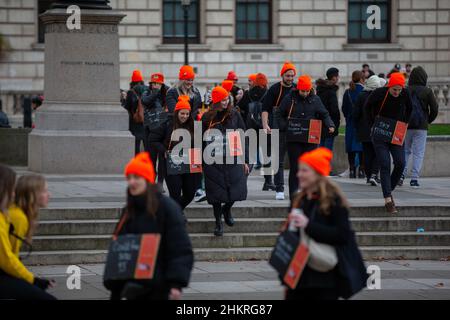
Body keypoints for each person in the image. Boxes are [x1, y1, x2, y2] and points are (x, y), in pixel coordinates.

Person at [106, 152, 194, 300]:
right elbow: (120, 247)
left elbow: (180, 248)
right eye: (129, 178)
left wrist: (175, 284)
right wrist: (114, 286)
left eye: (137, 177)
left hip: (157, 287)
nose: (132, 182)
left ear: (147, 180)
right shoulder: (129, 210)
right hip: (130, 287)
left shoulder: (168, 208)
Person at [285, 148, 366, 300]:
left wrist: (308, 225)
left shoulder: (334, 201)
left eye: (304, 170)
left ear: (316, 174)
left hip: (325, 275)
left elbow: (342, 235)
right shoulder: (298, 199)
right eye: (299, 170)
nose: (298, 174)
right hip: (299, 273)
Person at [0, 165, 56, 300]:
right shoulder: (18, 217)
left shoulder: (17, 215)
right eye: (45, 191)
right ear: (32, 194)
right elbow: (8, 257)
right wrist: (31, 279)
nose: (50, 194)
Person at [202, 86, 249, 236]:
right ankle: (218, 222)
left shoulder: (235, 114)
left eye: (226, 99)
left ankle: (227, 209)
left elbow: (243, 135)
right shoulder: (207, 117)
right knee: (216, 192)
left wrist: (245, 159)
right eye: (222, 99)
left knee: (237, 188)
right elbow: (199, 140)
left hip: (232, 157)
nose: (225, 101)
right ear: (215, 101)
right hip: (213, 158)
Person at [279, 75, 335, 199]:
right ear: (298, 89)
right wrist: (285, 126)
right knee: (295, 166)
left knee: (310, 165)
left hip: (310, 137)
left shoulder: (315, 99)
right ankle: (294, 193)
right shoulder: (289, 98)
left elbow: (324, 114)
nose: (305, 93)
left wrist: (330, 124)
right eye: (302, 91)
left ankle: (309, 192)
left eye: (307, 91)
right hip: (294, 137)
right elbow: (280, 114)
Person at [366, 73, 412, 214]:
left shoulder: (405, 93)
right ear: (389, 86)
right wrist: (372, 123)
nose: (397, 92)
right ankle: (388, 199)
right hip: (380, 131)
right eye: (394, 90)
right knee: (385, 163)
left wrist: (405, 122)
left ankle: (388, 189)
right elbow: (367, 106)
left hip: (396, 132)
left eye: (399, 89)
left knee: (400, 163)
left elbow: (410, 108)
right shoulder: (380, 93)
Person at [148, 96, 201, 213]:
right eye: (182, 113)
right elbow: (153, 140)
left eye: (187, 114)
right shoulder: (166, 123)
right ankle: (176, 216)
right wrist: (164, 151)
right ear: (177, 112)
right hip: (171, 164)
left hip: (188, 163)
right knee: (175, 193)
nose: (185, 116)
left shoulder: (193, 125)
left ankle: (175, 212)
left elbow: (199, 143)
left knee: (190, 193)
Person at [261, 61, 297, 199]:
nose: (290, 78)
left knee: (296, 161)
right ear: (282, 75)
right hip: (277, 127)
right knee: (278, 160)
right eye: (287, 75)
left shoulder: (296, 88)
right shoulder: (274, 89)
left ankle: (295, 189)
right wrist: (265, 125)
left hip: (294, 128)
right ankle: (279, 188)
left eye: (292, 76)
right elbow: (265, 109)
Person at [400, 66, 439, 188]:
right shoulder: (427, 91)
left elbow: (401, 107)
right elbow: (434, 108)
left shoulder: (406, 90)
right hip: (421, 126)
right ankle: (414, 178)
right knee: (418, 152)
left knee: (405, 151)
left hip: (407, 125)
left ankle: (401, 175)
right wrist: (428, 120)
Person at [353, 75, 383, 186]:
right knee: (378, 152)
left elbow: (356, 114)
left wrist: (357, 126)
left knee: (367, 153)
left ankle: (369, 176)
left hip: (363, 128)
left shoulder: (361, 95)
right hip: (376, 127)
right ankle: (374, 174)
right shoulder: (379, 96)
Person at [142, 72, 170, 190]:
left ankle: (160, 183)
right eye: (153, 83)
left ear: (162, 84)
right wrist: (155, 93)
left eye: (158, 84)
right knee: (151, 158)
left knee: (163, 158)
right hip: (150, 130)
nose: (155, 85)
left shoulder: (168, 92)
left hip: (163, 129)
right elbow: (145, 101)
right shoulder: (147, 92)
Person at [342, 71, 365, 179]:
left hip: (350, 122)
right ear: (361, 79)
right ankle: (361, 170)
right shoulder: (364, 91)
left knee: (351, 148)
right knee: (362, 148)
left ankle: (351, 170)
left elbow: (344, 108)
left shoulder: (347, 92)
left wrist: (348, 117)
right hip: (361, 123)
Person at [123, 69, 147, 155]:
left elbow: (126, 108)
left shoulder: (131, 92)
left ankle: (137, 164)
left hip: (135, 122)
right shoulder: (146, 90)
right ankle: (148, 165)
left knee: (136, 146)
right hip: (146, 121)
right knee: (147, 146)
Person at [316, 67, 341, 153]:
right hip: (330, 123)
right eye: (337, 76)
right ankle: (324, 166)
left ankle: (319, 166)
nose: (338, 78)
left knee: (320, 147)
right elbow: (334, 110)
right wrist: (336, 122)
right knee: (327, 150)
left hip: (320, 122)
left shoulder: (320, 89)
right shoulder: (331, 91)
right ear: (333, 77)